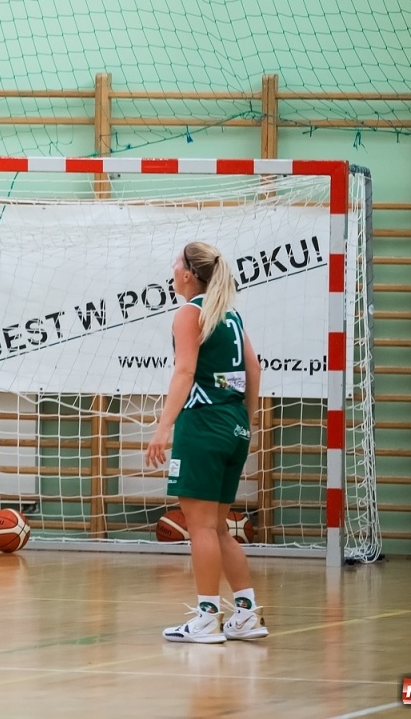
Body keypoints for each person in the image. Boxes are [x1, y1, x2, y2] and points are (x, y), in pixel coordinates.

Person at [146, 241, 268, 643]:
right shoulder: (230, 315)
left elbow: (185, 372)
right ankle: (246, 614)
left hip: (202, 424)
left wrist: (163, 426)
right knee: (218, 528)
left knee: (199, 527)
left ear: (188, 273)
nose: (171, 267)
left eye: (176, 262)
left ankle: (207, 617)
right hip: (233, 425)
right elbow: (254, 368)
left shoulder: (190, 313)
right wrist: (245, 419)